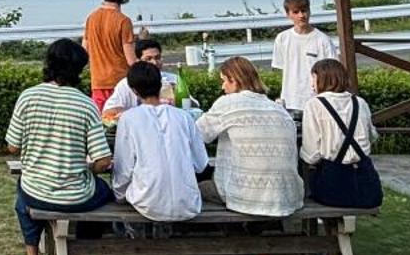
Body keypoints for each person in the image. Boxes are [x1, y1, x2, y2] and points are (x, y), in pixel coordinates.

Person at [6, 38, 115, 255]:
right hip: (76, 196)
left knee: (22, 197)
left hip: (35, 190)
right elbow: (103, 160)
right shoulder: (85, 104)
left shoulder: (28, 97)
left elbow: (13, 146)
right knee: (105, 196)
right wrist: (90, 168)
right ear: (79, 70)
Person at [194, 54, 304, 217]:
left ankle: (229, 235)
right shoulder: (278, 109)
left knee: (196, 187)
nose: (223, 87)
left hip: (245, 196)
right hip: (287, 196)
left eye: (224, 80)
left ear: (234, 80)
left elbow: (198, 135)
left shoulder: (227, 103)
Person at [111, 61, 209, 222]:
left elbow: (123, 170)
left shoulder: (128, 118)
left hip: (147, 204)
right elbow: (201, 164)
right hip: (190, 204)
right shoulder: (184, 116)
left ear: (134, 90)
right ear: (160, 85)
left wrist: (119, 195)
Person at [300, 59, 383, 208]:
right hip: (366, 188)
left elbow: (311, 155)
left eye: (313, 79)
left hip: (333, 188)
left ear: (322, 79)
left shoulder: (314, 105)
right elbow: (372, 136)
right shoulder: (360, 102)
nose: (312, 85)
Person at [271, 0, 336, 114]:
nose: (301, 15)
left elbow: (333, 72)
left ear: (309, 11)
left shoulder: (323, 39)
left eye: (304, 11)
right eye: (296, 12)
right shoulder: (282, 38)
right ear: (288, 14)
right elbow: (280, 69)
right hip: (290, 100)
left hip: (318, 101)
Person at [83, 0, 137, 110]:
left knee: (102, 121)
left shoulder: (91, 18)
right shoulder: (123, 21)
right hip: (120, 81)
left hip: (97, 81)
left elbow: (85, 49)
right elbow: (131, 60)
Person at [101, 37, 185, 119]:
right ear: (138, 61)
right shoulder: (126, 84)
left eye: (157, 58)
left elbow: (193, 105)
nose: (154, 63)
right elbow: (107, 112)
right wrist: (137, 114)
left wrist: (178, 97)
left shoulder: (173, 80)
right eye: (148, 59)